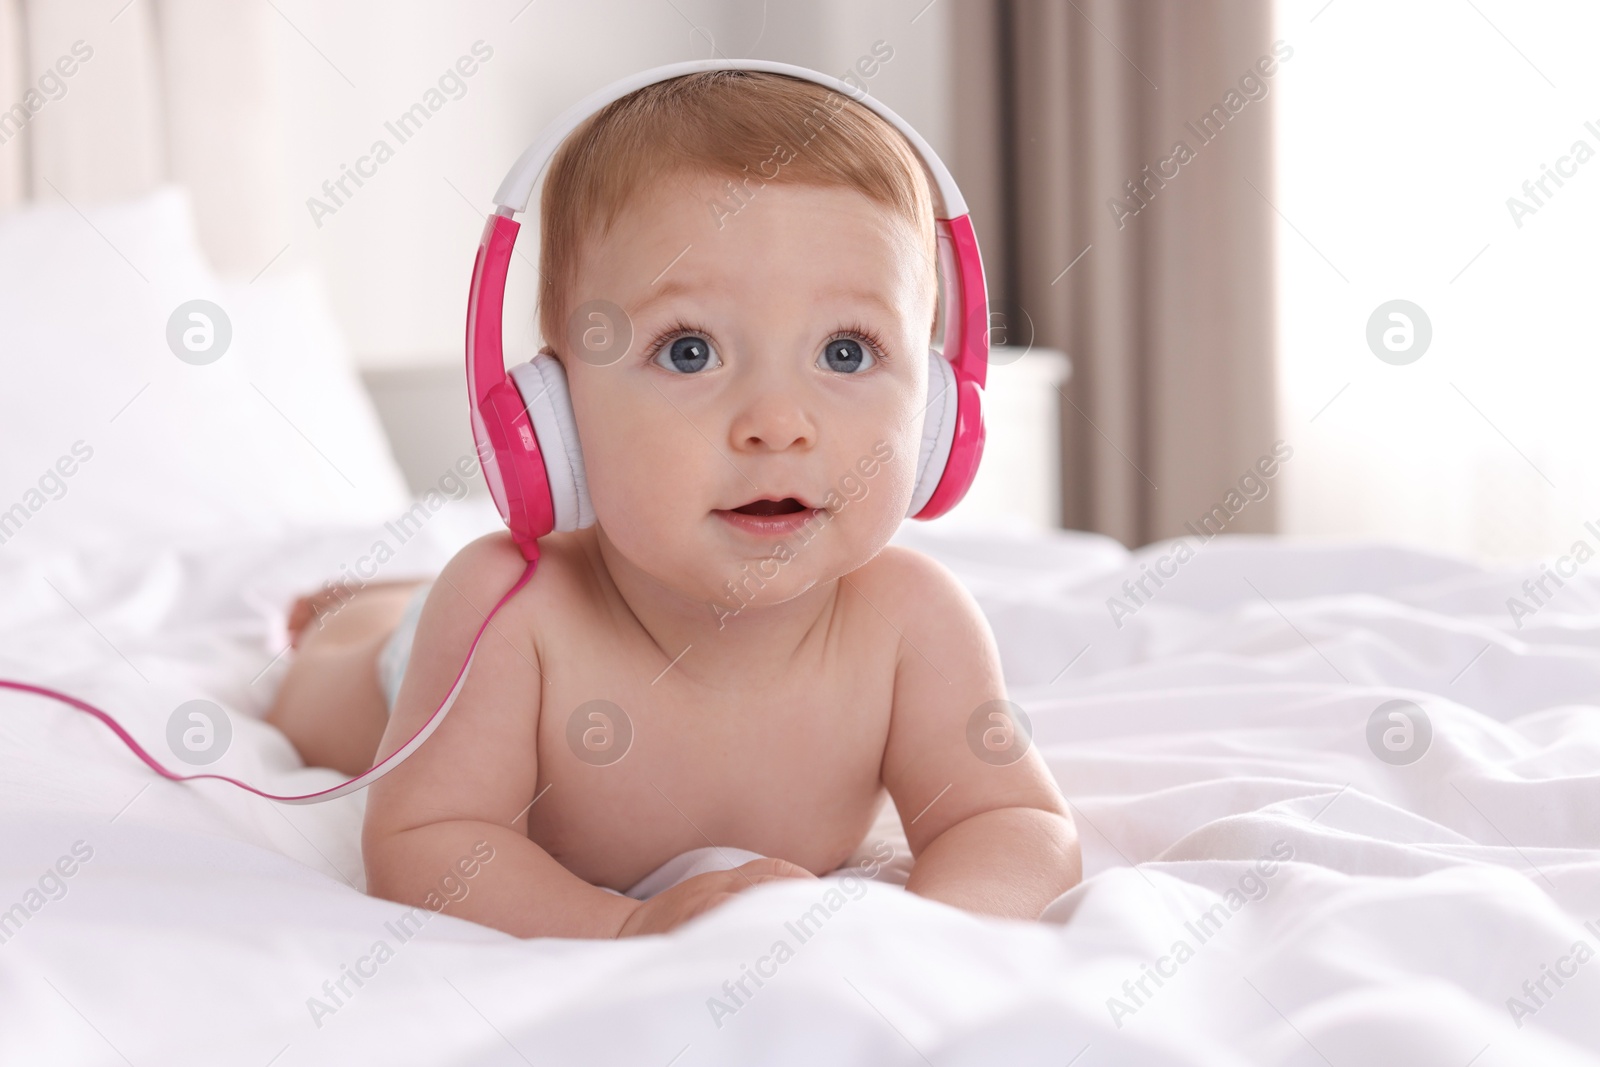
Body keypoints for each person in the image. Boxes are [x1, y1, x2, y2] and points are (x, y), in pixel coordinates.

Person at [264, 69, 1080, 939]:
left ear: (938, 411)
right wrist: (623, 926)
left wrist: (940, 939)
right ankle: (368, 612)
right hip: (423, 664)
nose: (776, 425)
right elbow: (427, 843)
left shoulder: (915, 623)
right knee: (319, 692)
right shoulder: (510, 617)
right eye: (688, 351)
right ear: (557, 408)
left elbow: (1012, 822)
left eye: (847, 352)